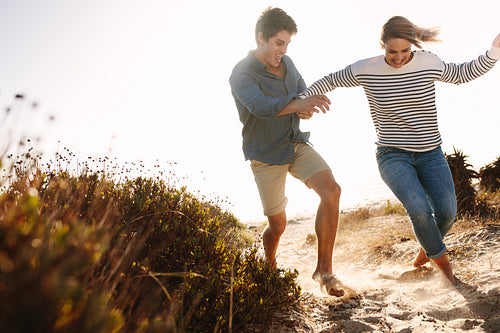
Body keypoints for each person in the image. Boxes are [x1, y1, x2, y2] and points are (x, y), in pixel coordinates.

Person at [299, 16, 500, 285]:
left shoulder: (428, 62)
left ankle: (425, 253)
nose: (398, 58)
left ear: (413, 47)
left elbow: (463, 73)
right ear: (382, 45)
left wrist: (494, 50)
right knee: (418, 209)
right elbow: (329, 80)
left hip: (431, 153)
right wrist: (304, 101)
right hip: (392, 155)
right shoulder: (365, 69)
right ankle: (448, 273)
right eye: (392, 51)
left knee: (447, 214)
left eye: (405, 51)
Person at [229, 7, 344, 296]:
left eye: (287, 44)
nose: (283, 50)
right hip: (265, 154)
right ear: (261, 38)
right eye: (279, 43)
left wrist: (306, 107)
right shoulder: (241, 73)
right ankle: (269, 265)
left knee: (332, 190)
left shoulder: (288, 63)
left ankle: (325, 271)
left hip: (295, 142)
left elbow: (301, 91)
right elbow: (260, 106)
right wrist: (296, 104)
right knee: (278, 225)